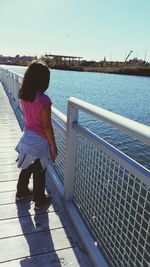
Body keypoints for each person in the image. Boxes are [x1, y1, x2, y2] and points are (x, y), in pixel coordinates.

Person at [15, 60, 58, 210]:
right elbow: (46, 126)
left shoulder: (24, 95)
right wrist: (53, 145)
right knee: (40, 170)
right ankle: (39, 199)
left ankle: (21, 192)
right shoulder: (44, 100)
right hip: (39, 141)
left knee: (26, 166)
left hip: (26, 137)